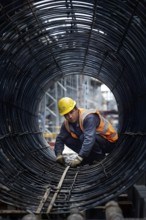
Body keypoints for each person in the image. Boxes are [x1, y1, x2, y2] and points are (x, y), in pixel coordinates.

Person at [54, 97, 118, 168]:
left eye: (71, 112)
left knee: (83, 137)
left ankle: (100, 159)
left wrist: (79, 158)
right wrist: (58, 154)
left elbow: (89, 139)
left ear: (76, 109)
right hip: (93, 145)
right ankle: (88, 159)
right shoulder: (66, 124)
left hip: (109, 143)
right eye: (66, 114)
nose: (70, 116)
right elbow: (60, 138)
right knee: (67, 139)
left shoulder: (89, 117)